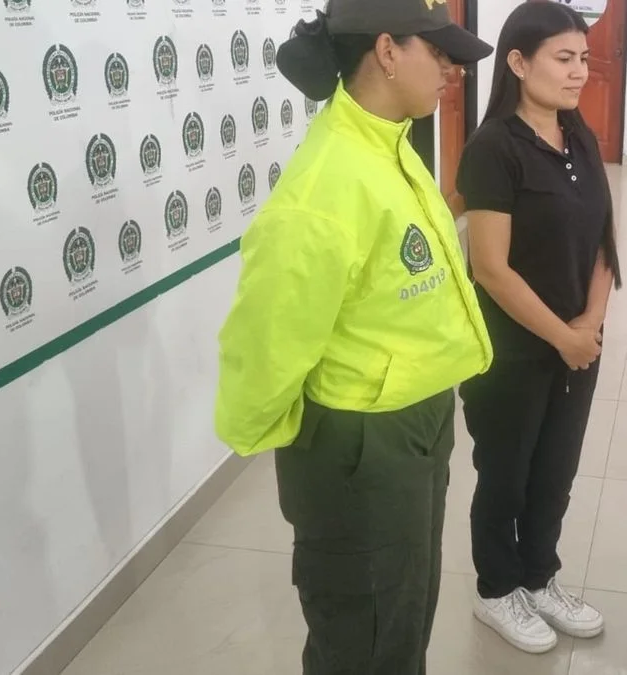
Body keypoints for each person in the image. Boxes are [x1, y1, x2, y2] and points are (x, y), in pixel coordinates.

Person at [212, 1, 495, 673]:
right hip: (363, 442)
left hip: (415, 418)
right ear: (388, 51)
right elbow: (267, 344)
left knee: (403, 617)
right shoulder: (324, 186)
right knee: (364, 637)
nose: (452, 69)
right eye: (438, 51)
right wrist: (312, 451)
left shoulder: (390, 144)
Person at [454, 1, 621, 654]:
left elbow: (604, 239)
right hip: (512, 350)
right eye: (565, 58)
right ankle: (496, 588)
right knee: (506, 472)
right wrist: (563, 335)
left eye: (584, 58)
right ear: (519, 63)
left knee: (556, 469)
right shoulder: (493, 148)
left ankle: (538, 575)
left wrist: (590, 323)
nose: (580, 71)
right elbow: (490, 269)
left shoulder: (580, 137)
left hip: (578, 344)